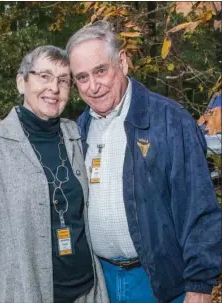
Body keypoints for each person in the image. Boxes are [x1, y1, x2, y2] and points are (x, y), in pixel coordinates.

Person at [66, 21, 221, 303]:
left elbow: (199, 207)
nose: (93, 86)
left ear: (122, 62)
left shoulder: (169, 121)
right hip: (101, 283)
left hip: (162, 283)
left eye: (101, 70)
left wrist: (200, 284)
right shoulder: (81, 129)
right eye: (82, 77)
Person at [0, 46, 109, 303]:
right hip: (27, 293)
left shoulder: (75, 135)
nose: (54, 87)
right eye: (44, 76)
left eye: (63, 80)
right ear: (21, 82)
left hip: (87, 291)